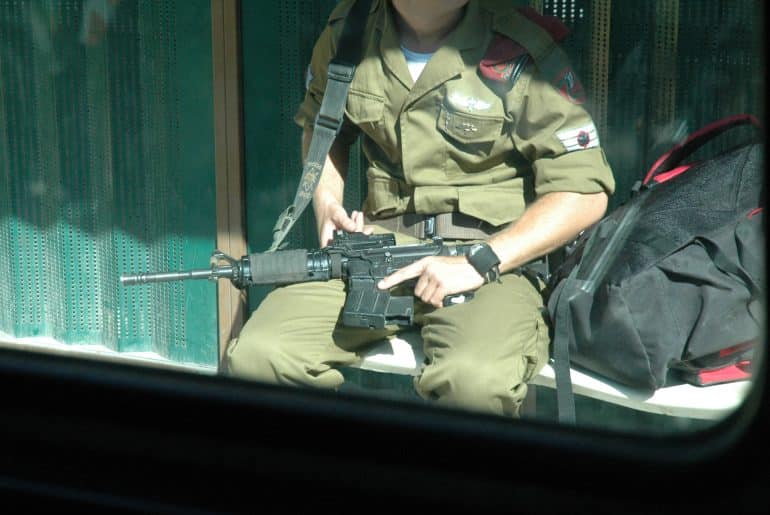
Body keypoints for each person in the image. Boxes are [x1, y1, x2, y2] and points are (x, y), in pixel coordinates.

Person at [224, 0, 615, 418]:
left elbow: (584, 190)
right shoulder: (349, 33)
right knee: (261, 355)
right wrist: (328, 203)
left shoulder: (517, 49)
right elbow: (324, 126)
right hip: (377, 252)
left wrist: (480, 260)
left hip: (486, 262)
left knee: (473, 381)